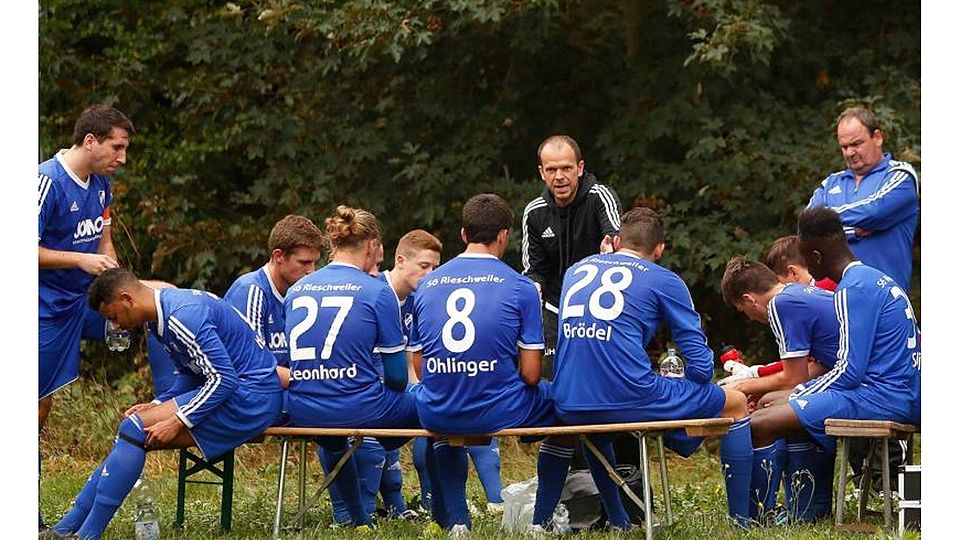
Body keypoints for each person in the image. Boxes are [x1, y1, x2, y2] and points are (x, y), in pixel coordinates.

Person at [532, 207, 754, 530]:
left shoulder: (575, 271)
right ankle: (741, 524)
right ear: (660, 249)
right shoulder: (664, 279)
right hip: (629, 398)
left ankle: (614, 522)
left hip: (568, 399)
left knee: (594, 423)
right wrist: (694, 396)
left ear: (617, 240)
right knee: (733, 402)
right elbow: (701, 364)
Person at [44, 269, 283, 539]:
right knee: (132, 428)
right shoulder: (159, 317)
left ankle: (85, 533)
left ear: (127, 299)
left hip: (253, 397)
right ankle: (67, 528)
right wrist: (157, 404)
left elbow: (224, 379)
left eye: (113, 317)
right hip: (238, 392)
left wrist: (176, 420)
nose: (116, 326)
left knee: (133, 430)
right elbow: (191, 375)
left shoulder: (183, 316)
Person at [744, 206, 921, 524]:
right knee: (774, 402)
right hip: (899, 391)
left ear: (815, 257)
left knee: (760, 422)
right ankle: (805, 509)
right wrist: (800, 393)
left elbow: (849, 370)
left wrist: (799, 392)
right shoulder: (876, 278)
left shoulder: (852, 290)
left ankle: (757, 517)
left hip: (884, 398)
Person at [409, 194, 560, 534]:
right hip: (499, 408)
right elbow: (532, 375)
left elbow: (420, 370)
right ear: (505, 235)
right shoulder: (521, 287)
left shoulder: (427, 284)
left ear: (463, 234)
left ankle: (458, 522)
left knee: (442, 420)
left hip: (439, 408)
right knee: (567, 408)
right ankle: (541, 522)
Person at [284, 206, 420, 528]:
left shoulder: (295, 290)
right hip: (359, 407)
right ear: (372, 246)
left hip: (303, 408)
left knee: (333, 439)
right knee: (434, 404)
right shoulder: (378, 291)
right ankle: (448, 512)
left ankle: (359, 520)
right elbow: (399, 378)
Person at [38, 105, 133, 530]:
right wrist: (78, 260)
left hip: (85, 301)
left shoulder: (101, 185)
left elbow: (104, 243)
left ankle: (174, 413)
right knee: (35, 409)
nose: (122, 158)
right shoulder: (46, 182)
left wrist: (116, 284)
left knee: (156, 305)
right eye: (117, 147)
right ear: (90, 140)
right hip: (42, 310)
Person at [323, 229, 442, 523]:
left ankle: (417, 504)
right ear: (399, 261)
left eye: (435, 268)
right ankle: (358, 512)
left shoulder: (420, 297)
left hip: (377, 388)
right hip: (355, 389)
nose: (430, 275)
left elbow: (410, 358)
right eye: (424, 266)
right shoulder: (374, 290)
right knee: (412, 414)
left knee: (438, 404)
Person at [720, 256, 841, 520]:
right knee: (770, 401)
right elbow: (818, 365)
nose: (750, 318)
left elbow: (793, 378)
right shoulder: (797, 293)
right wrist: (758, 387)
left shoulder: (781, 305)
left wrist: (743, 386)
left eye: (744, 311)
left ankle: (760, 512)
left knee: (765, 413)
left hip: (869, 382)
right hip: (857, 374)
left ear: (750, 299)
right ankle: (804, 508)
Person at [521, 135, 622, 379]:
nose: (559, 176)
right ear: (541, 173)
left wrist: (611, 249)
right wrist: (532, 290)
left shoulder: (600, 196)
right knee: (555, 379)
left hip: (599, 310)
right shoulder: (534, 212)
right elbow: (534, 271)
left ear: (580, 168)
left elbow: (618, 242)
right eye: (551, 169)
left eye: (566, 168)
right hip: (555, 310)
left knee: (600, 378)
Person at [807, 106, 919, 291]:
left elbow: (874, 210)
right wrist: (854, 231)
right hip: (834, 301)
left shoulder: (900, 175)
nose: (850, 152)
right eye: (844, 147)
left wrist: (830, 226)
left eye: (856, 144)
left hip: (885, 300)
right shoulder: (831, 183)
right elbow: (809, 222)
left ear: (877, 137)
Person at [223, 214, 324, 368]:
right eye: (304, 262)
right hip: (256, 390)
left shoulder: (304, 293)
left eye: (314, 262)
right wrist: (306, 380)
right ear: (278, 256)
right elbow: (253, 368)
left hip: (288, 387)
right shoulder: (251, 291)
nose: (311, 271)